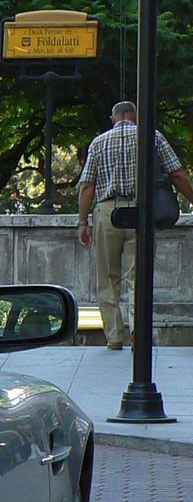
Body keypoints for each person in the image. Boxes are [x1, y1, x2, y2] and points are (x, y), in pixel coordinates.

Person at [77, 101, 193, 349]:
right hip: (142, 211)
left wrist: (82, 222)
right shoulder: (152, 137)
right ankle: (139, 335)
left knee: (108, 278)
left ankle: (114, 338)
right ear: (135, 116)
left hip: (108, 212)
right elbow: (177, 174)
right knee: (138, 277)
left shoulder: (99, 142)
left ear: (113, 118)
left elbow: (87, 186)